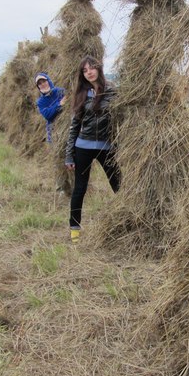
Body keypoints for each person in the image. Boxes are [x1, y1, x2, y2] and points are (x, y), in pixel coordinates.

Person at [65, 56, 121, 243]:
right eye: (84, 70)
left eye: (91, 68)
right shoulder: (82, 94)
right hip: (83, 147)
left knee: (119, 185)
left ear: (99, 68)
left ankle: (126, 220)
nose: (89, 72)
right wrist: (69, 156)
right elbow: (74, 127)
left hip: (107, 147)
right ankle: (74, 230)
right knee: (80, 188)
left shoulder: (112, 91)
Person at [34, 72, 67, 142]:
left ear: (48, 81)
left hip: (66, 124)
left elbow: (68, 98)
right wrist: (59, 104)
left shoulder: (60, 91)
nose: (43, 84)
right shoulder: (40, 102)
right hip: (54, 131)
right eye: (39, 84)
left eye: (44, 81)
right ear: (38, 87)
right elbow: (47, 115)